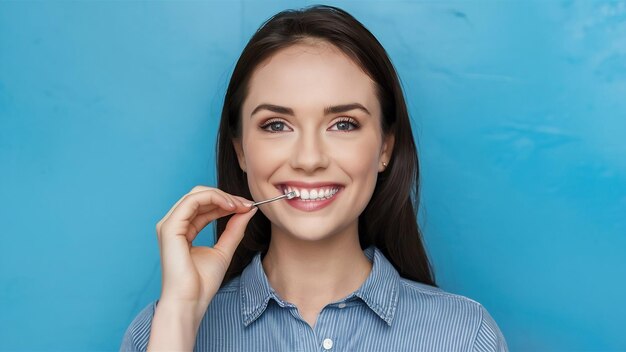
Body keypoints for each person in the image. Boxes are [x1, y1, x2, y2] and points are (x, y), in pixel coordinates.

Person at [120, 4, 508, 351]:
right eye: (276, 125)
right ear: (240, 148)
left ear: (385, 148)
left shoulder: (465, 336)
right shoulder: (156, 333)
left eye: (343, 124)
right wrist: (180, 316)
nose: (309, 159)